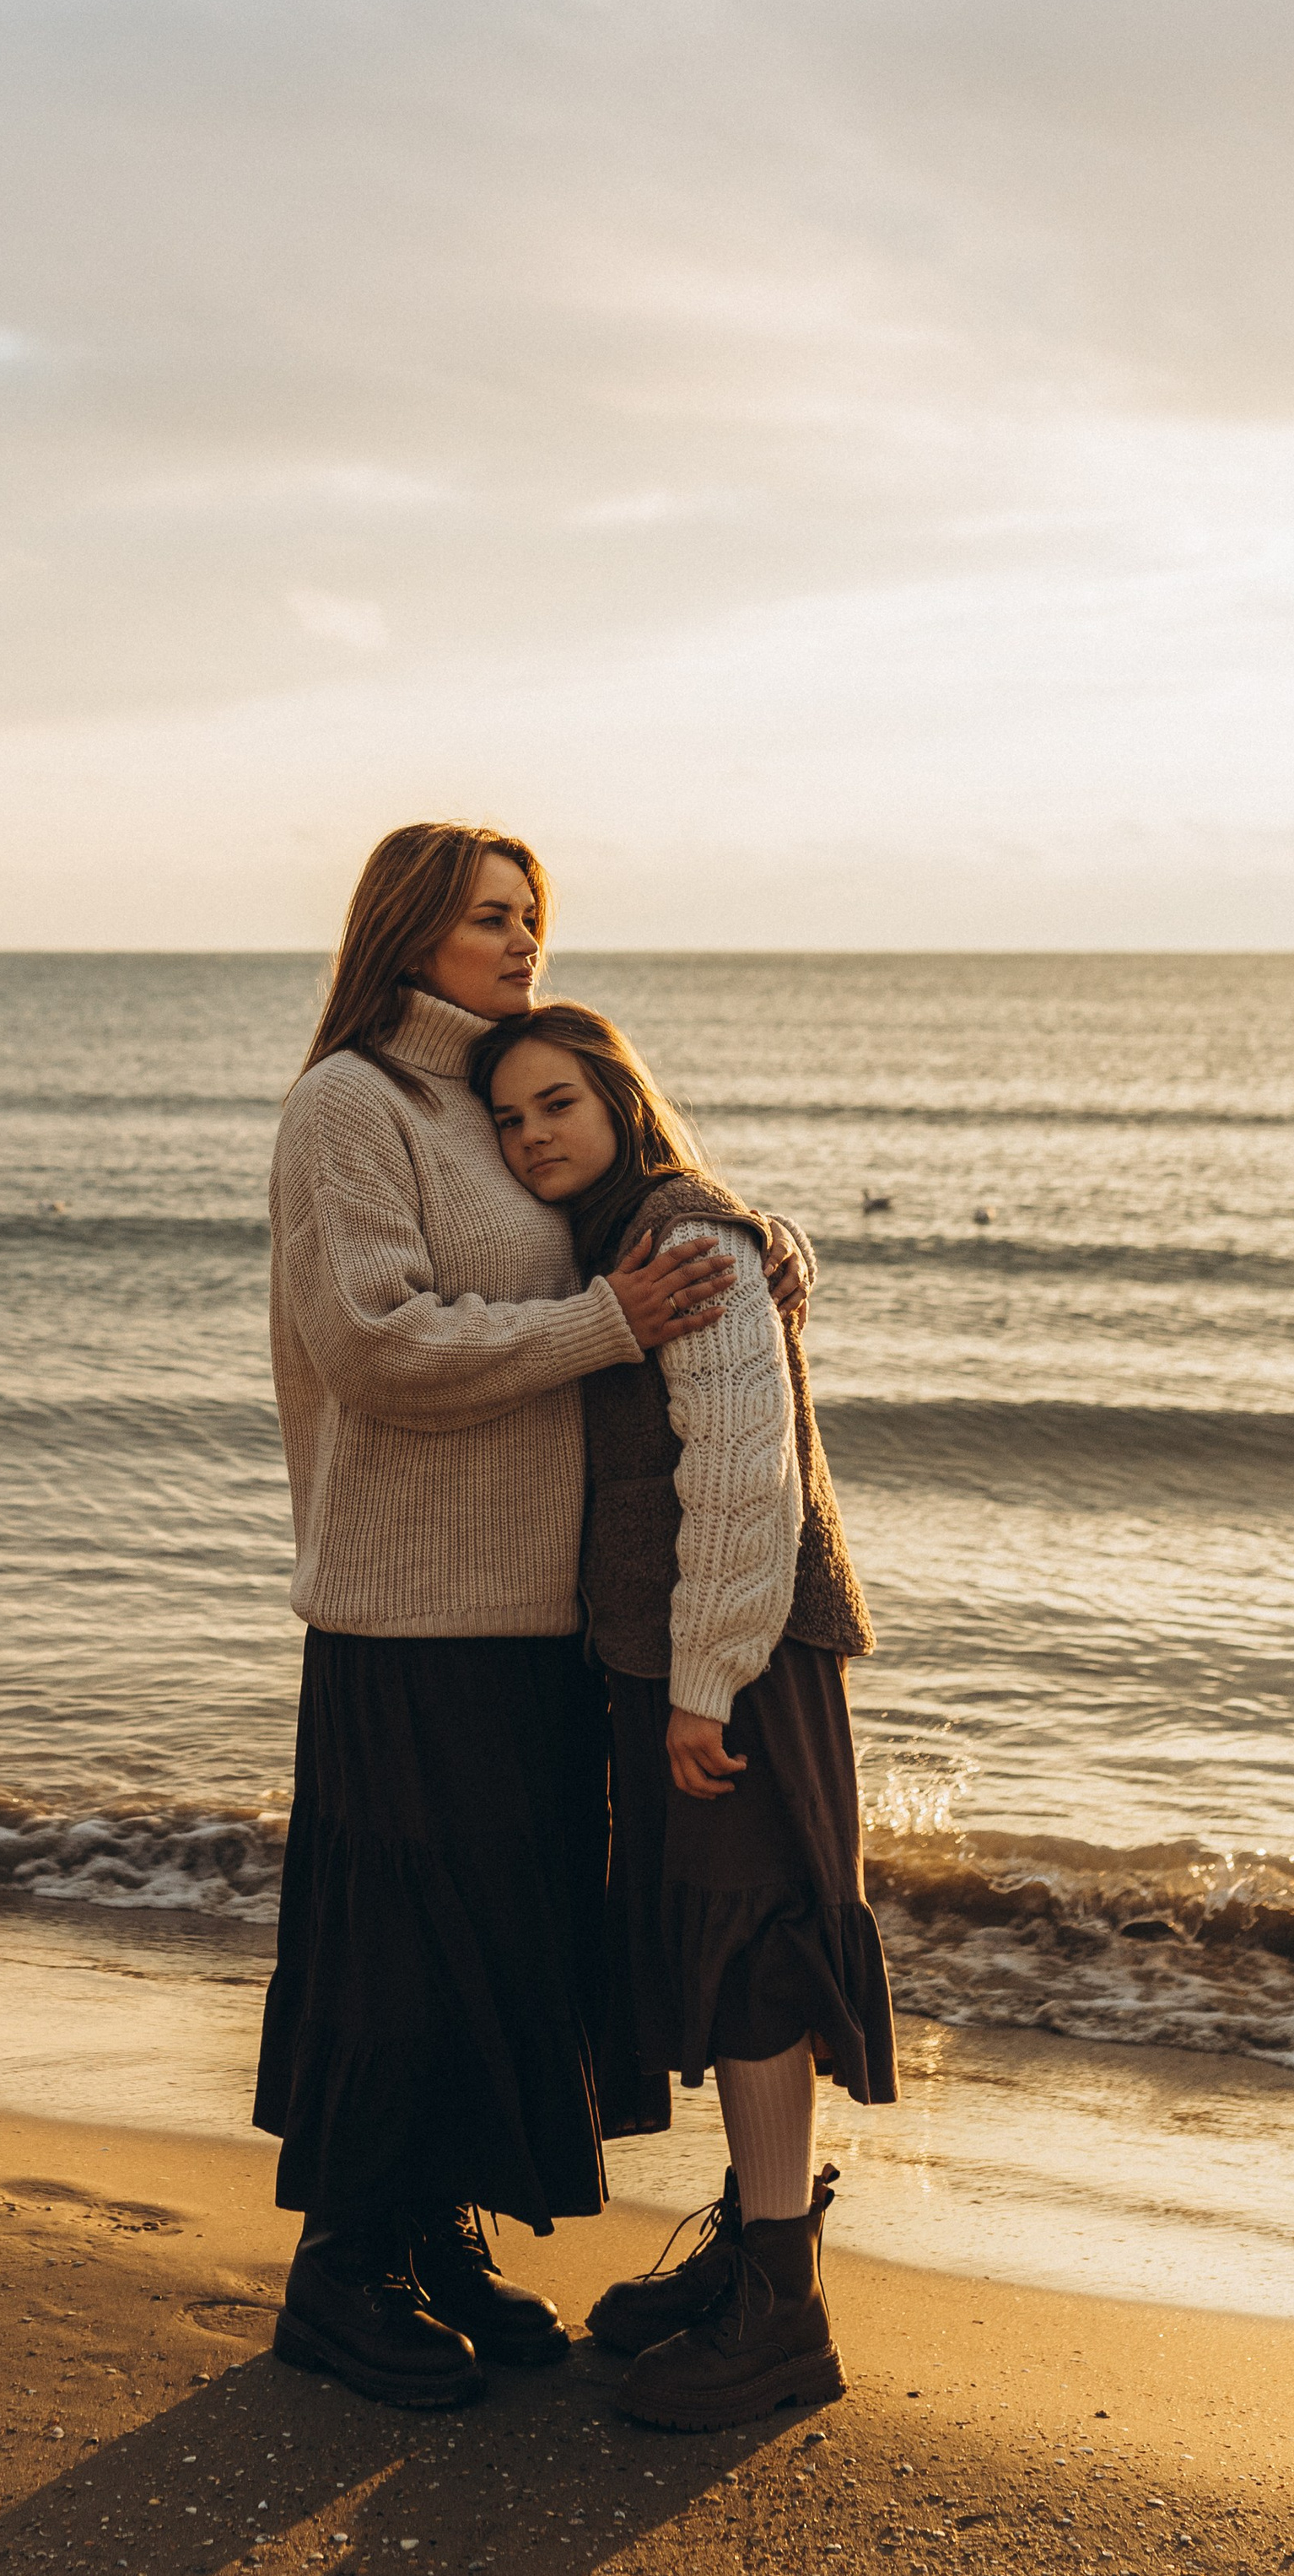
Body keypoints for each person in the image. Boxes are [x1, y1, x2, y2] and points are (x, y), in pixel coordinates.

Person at [253, 822, 768, 2412]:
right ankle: (343, 2273)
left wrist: (756, 1254)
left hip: (536, 1613)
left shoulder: (491, 1100)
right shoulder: (350, 1103)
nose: (522, 943)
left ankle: (435, 2232)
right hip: (406, 1608)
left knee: (500, 1938)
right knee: (402, 1949)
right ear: (412, 929)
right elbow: (381, 1346)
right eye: (492, 919)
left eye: (532, 919)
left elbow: (639, 1216)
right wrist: (606, 1323)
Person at [472, 999, 896, 2431]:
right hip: (698, 1660)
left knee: (757, 1958)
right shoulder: (645, 1237)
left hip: (744, 1661)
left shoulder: (678, 1236)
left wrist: (704, 1681)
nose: (531, 1137)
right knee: (728, 1960)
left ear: (620, 1104)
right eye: (510, 1119)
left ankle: (784, 2320)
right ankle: (755, 2260)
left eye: (557, 1107)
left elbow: (741, 1479)